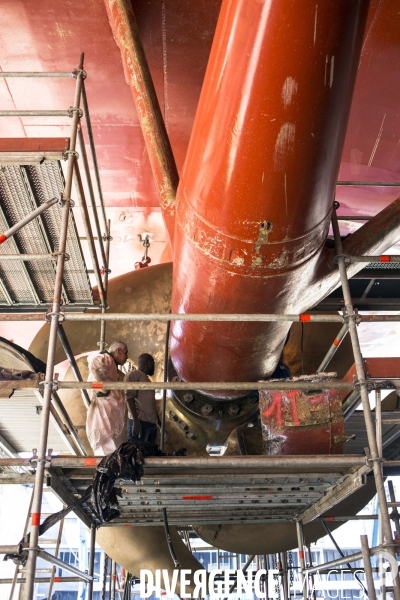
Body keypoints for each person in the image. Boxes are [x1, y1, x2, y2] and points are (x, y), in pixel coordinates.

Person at [86, 341, 129, 455]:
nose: (127, 357)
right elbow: (94, 362)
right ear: (118, 351)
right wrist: (103, 387)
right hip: (103, 408)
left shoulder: (112, 365)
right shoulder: (106, 358)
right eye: (125, 353)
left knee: (111, 446)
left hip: (108, 411)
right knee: (106, 446)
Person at [125, 353, 158, 444]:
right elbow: (129, 398)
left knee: (150, 455)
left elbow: (151, 405)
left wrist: (159, 424)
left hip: (150, 424)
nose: (154, 367)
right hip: (140, 422)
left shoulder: (146, 380)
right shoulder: (134, 374)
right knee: (136, 453)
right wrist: (136, 421)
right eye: (153, 364)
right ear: (149, 363)